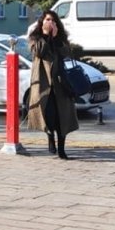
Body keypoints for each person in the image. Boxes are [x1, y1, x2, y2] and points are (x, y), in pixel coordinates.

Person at [26, 10, 79, 159]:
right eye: (47, 20)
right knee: (47, 115)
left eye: (53, 20)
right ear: (42, 21)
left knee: (62, 117)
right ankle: (50, 136)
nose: (50, 23)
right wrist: (45, 35)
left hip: (60, 82)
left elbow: (66, 53)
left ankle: (62, 149)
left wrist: (55, 38)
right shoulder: (35, 37)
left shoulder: (60, 37)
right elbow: (39, 52)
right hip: (43, 82)